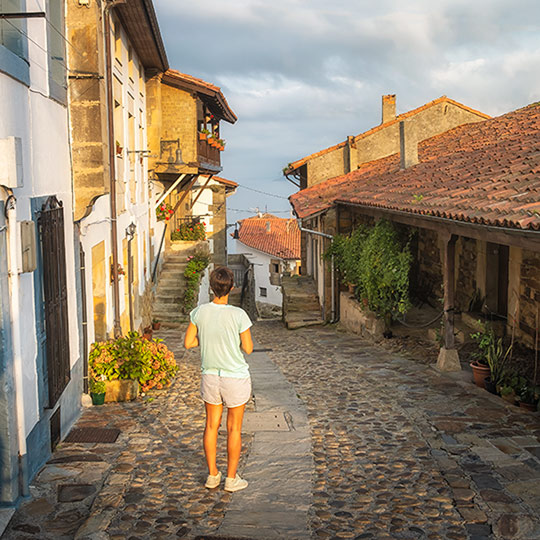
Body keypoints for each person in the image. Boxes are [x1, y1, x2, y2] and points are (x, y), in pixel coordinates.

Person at [184, 266, 253, 492]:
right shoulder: (238, 315)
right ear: (231, 288)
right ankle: (231, 479)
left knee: (211, 426)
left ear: (211, 288)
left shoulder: (199, 312)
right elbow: (248, 348)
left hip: (210, 376)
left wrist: (206, 341)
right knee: (234, 429)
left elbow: (188, 343)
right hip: (235, 377)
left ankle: (212, 475)